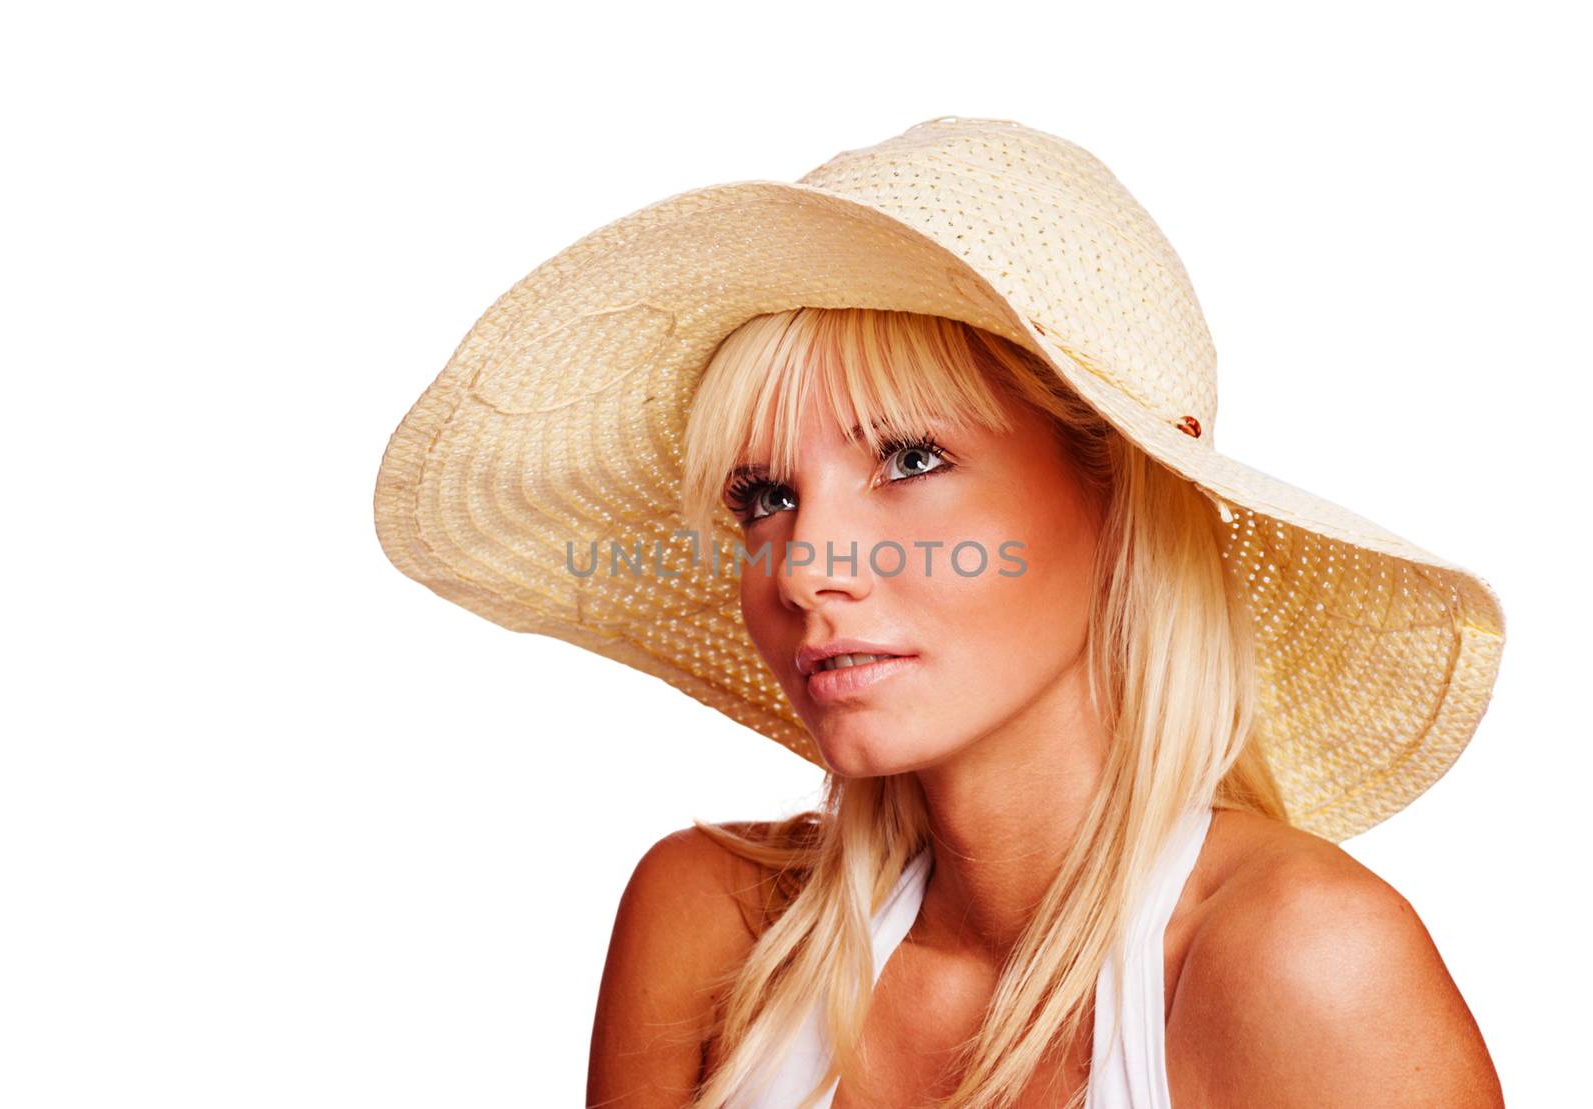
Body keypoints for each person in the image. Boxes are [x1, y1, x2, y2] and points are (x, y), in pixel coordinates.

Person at [372, 117, 1507, 1108]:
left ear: (1124, 489)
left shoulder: (1299, 964)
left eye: (911, 457)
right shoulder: (710, 928)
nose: (805, 566)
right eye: (763, 495)